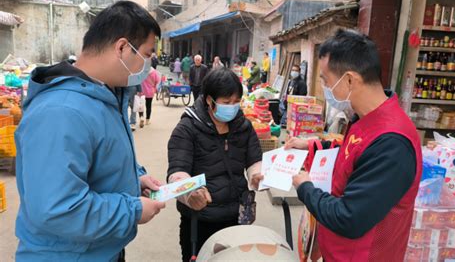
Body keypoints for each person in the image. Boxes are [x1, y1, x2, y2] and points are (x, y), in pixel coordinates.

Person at [14, 1, 166, 261]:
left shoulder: (100, 95)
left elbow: (100, 158)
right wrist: (132, 210)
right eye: (147, 53)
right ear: (121, 47)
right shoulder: (61, 112)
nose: (149, 64)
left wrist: (134, 179)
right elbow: (58, 208)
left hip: (97, 248)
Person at [289, 29, 422, 261]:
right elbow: (352, 156)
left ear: (350, 80)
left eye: (326, 80)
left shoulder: (392, 143)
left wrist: (306, 188)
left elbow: (349, 217)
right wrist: (311, 147)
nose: (324, 88)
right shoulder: (366, 118)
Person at [167, 68, 263, 262]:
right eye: (226, 102)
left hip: (236, 218)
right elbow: (177, 173)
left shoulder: (243, 127)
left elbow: (255, 160)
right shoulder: (187, 129)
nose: (232, 107)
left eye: (236, 102)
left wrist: (257, 175)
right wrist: (190, 193)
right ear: (209, 101)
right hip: (201, 219)